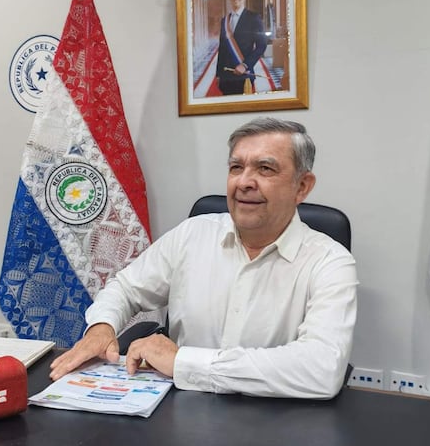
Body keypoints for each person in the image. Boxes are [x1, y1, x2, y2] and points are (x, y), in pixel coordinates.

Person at [50, 117, 358, 399]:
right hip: (180, 410)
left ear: (302, 187)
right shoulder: (193, 233)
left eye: (265, 169)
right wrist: (102, 326)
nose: (244, 182)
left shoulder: (330, 262)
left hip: (276, 420)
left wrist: (183, 362)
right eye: (236, 167)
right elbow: (126, 288)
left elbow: (321, 369)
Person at [215, 0, 268, 95]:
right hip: (226, 76)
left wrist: (245, 65)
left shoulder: (253, 18)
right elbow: (222, 49)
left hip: (243, 74)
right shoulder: (225, 20)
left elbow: (261, 46)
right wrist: (218, 74)